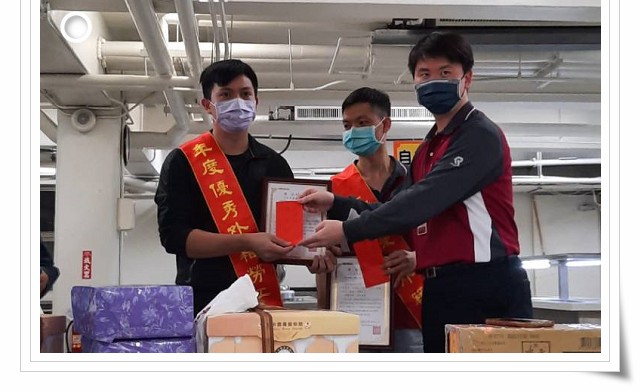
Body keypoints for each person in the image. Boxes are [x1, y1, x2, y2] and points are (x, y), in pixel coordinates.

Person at [298, 32, 533, 353]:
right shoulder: (428, 149)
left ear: (467, 78)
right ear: (415, 82)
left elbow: (423, 201)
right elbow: (397, 206)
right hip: (441, 286)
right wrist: (335, 202)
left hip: (485, 283)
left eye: (445, 72)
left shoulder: (479, 135)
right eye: (424, 74)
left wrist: (348, 230)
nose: (433, 81)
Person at [154, 59, 336, 315]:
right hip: (203, 303)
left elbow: (289, 235)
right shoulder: (184, 162)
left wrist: (309, 256)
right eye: (226, 95)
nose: (238, 102)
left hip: (261, 302)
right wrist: (248, 241)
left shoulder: (274, 164)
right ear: (207, 105)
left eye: (245, 94)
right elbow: (174, 238)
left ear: (256, 101)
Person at [328, 87, 423, 353]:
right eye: (347, 125)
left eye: (362, 123)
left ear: (385, 125)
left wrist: (419, 258)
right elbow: (327, 255)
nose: (353, 131)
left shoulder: (417, 182)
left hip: (410, 314)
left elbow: (439, 235)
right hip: (355, 312)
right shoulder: (334, 189)